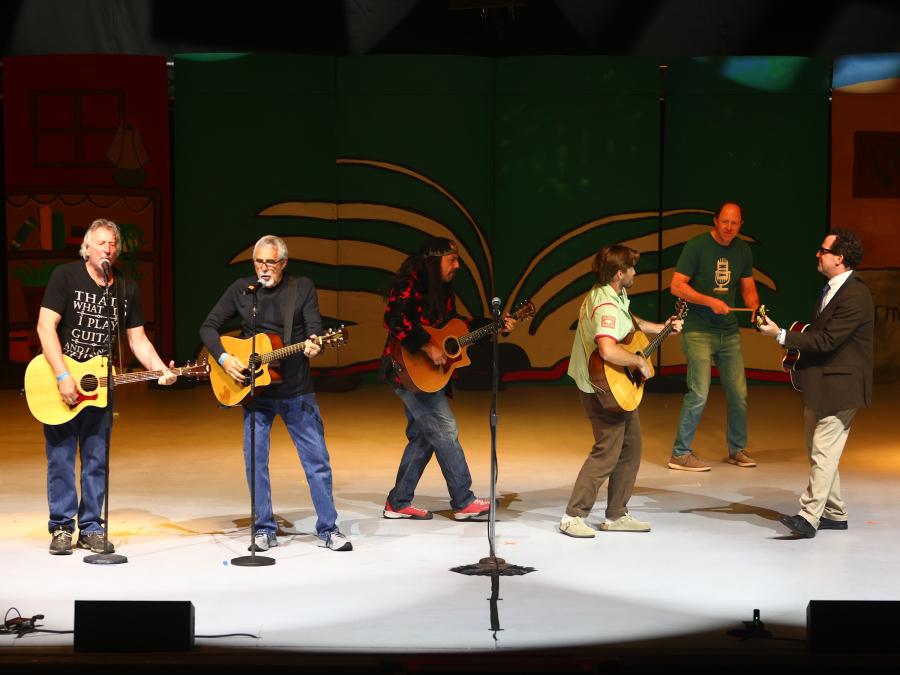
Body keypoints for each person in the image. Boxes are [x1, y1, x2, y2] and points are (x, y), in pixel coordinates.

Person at [199, 235, 351, 552]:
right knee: (255, 461)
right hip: (256, 392)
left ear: (283, 263)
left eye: (270, 262)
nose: (264, 269)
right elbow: (208, 327)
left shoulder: (302, 287)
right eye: (259, 262)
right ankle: (263, 528)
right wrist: (225, 359)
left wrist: (314, 344)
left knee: (317, 462)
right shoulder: (243, 291)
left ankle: (328, 529)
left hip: (296, 390)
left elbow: (313, 327)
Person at [37, 219, 177, 555]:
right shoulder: (65, 276)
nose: (108, 249)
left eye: (112, 244)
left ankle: (91, 527)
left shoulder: (125, 289)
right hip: (63, 382)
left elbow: (137, 339)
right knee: (60, 459)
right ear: (87, 248)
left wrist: (160, 369)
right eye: (101, 243)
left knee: (97, 460)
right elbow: (45, 327)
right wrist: (62, 376)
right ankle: (61, 527)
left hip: (100, 386)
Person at [380, 237, 515, 521]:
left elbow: (457, 326)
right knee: (445, 428)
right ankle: (464, 501)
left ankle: (398, 502)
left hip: (427, 375)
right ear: (433, 261)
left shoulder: (443, 290)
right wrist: (428, 346)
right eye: (451, 260)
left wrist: (493, 326)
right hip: (406, 369)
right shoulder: (409, 284)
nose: (457, 265)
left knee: (423, 437)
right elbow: (395, 319)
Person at [560, 245, 682, 537]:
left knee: (632, 448)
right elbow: (608, 349)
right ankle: (572, 515)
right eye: (631, 268)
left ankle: (616, 514)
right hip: (600, 386)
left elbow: (630, 322)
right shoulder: (605, 306)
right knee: (607, 452)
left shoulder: (614, 294)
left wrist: (661, 327)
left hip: (615, 386)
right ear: (619, 273)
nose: (635, 273)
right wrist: (639, 361)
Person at [757, 228, 873, 538]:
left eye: (823, 250)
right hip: (822, 384)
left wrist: (780, 335)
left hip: (843, 387)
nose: (817, 255)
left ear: (840, 258)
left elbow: (827, 340)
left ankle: (809, 517)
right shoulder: (831, 289)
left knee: (823, 450)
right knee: (818, 451)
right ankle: (834, 513)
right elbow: (817, 336)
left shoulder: (857, 294)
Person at [667, 202, 759, 471]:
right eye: (725, 222)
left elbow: (748, 288)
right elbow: (676, 286)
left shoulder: (743, 250)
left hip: (728, 331)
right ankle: (680, 453)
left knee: (739, 393)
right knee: (699, 392)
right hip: (698, 330)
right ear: (716, 221)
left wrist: (755, 308)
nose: (729, 228)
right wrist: (709, 301)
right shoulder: (697, 246)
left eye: (735, 223)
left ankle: (737, 450)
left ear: (741, 224)